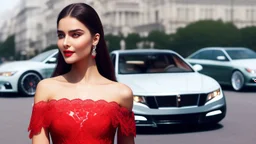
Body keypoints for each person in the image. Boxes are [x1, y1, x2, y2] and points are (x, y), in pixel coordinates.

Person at [27, 3, 136, 144]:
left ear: (95, 39)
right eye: (61, 35)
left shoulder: (122, 93)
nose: (65, 42)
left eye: (75, 35)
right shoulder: (46, 88)